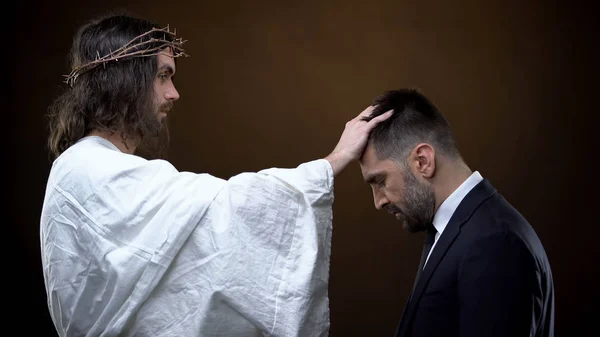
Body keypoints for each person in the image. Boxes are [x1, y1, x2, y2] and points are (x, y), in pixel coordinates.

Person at [40, 13, 392, 337]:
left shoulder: (89, 168)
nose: (173, 94)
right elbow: (227, 208)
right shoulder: (85, 170)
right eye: (163, 76)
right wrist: (335, 159)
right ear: (125, 82)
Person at [359, 88, 555, 337]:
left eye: (380, 181)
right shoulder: (455, 229)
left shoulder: (494, 242)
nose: (378, 201)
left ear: (422, 161)